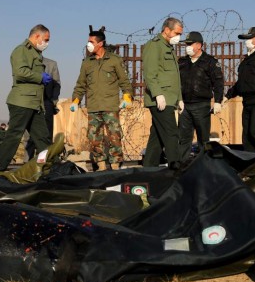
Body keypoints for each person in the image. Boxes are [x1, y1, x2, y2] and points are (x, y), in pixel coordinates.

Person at [0, 24, 53, 172]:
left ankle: (50, 169)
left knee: (43, 138)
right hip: (22, 102)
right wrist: (40, 76)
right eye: (46, 39)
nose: (47, 43)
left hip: (35, 104)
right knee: (14, 137)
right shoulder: (22, 50)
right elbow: (20, 72)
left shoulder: (36, 53)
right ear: (37, 36)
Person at [70, 30, 133, 171]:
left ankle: (115, 164)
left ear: (100, 43)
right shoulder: (87, 63)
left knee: (114, 136)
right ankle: (101, 165)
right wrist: (76, 100)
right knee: (94, 137)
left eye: (91, 42)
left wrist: (127, 97)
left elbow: (124, 81)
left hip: (110, 106)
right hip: (93, 106)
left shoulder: (114, 60)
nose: (88, 44)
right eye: (88, 41)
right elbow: (81, 84)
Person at [142, 17, 184, 169]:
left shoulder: (169, 48)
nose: (179, 37)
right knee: (172, 134)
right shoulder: (154, 46)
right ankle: (176, 167)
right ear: (167, 30)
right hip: (160, 100)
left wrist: (179, 98)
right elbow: (150, 73)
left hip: (170, 99)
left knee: (157, 138)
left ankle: (148, 170)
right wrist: (157, 94)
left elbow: (175, 77)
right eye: (177, 33)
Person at [178, 31, 224, 161]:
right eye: (186, 44)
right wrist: (178, 99)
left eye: (190, 44)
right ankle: (182, 166)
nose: (187, 46)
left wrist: (218, 101)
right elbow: (175, 82)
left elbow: (218, 82)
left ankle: (204, 164)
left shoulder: (209, 62)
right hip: (185, 106)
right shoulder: (182, 62)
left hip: (201, 105)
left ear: (199, 45)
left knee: (203, 139)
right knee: (183, 138)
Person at [25, 56, 61, 159]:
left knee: (46, 134)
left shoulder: (51, 64)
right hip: (30, 102)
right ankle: (27, 162)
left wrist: (53, 101)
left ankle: (44, 161)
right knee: (30, 135)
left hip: (46, 102)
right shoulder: (27, 62)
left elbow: (57, 84)